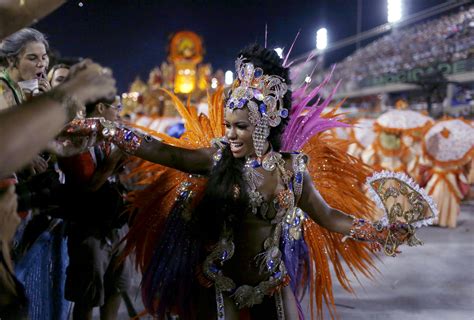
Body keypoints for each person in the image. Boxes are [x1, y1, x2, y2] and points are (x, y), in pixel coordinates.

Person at [64, 45, 410, 319]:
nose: (228, 133)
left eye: (239, 126)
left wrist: (380, 231)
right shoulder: (214, 159)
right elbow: (160, 151)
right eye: (228, 124)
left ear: (264, 126)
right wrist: (106, 129)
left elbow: (329, 216)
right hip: (219, 280)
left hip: (273, 281)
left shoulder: (292, 170)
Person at [57, 97, 131, 320]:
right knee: (88, 295)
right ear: (100, 108)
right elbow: (89, 186)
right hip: (90, 230)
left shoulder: (106, 138)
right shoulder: (74, 142)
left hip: (116, 226)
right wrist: (112, 164)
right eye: (115, 107)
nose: (119, 113)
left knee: (118, 286)